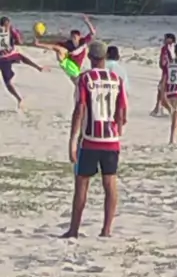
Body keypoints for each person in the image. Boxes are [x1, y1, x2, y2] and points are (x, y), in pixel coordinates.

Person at [63, 40, 128, 239]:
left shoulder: (85, 79)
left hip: (90, 139)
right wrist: (117, 129)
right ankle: (106, 230)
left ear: (90, 57)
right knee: (110, 183)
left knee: (82, 183)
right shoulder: (117, 80)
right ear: (105, 57)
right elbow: (121, 111)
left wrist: (72, 140)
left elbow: (80, 109)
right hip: (111, 139)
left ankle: (74, 229)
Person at [0, 16, 46, 109]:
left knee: (22, 57)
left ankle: (38, 67)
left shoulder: (12, 30)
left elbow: (19, 42)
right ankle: (19, 99)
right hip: (3, 58)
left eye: (8, 25)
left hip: (9, 54)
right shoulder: (5, 31)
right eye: (6, 25)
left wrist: (17, 37)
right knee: (8, 82)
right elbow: (16, 42)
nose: (8, 26)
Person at [35, 15, 96, 82]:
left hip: (75, 68)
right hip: (69, 65)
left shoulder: (83, 42)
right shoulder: (69, 44)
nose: (73, 39)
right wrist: (41, 46)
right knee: (60, 49)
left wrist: (87, 22)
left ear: (79, 37)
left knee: (84, 48)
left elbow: (93, 33)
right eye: (72, 37)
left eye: (75, 37)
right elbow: (53, 46)